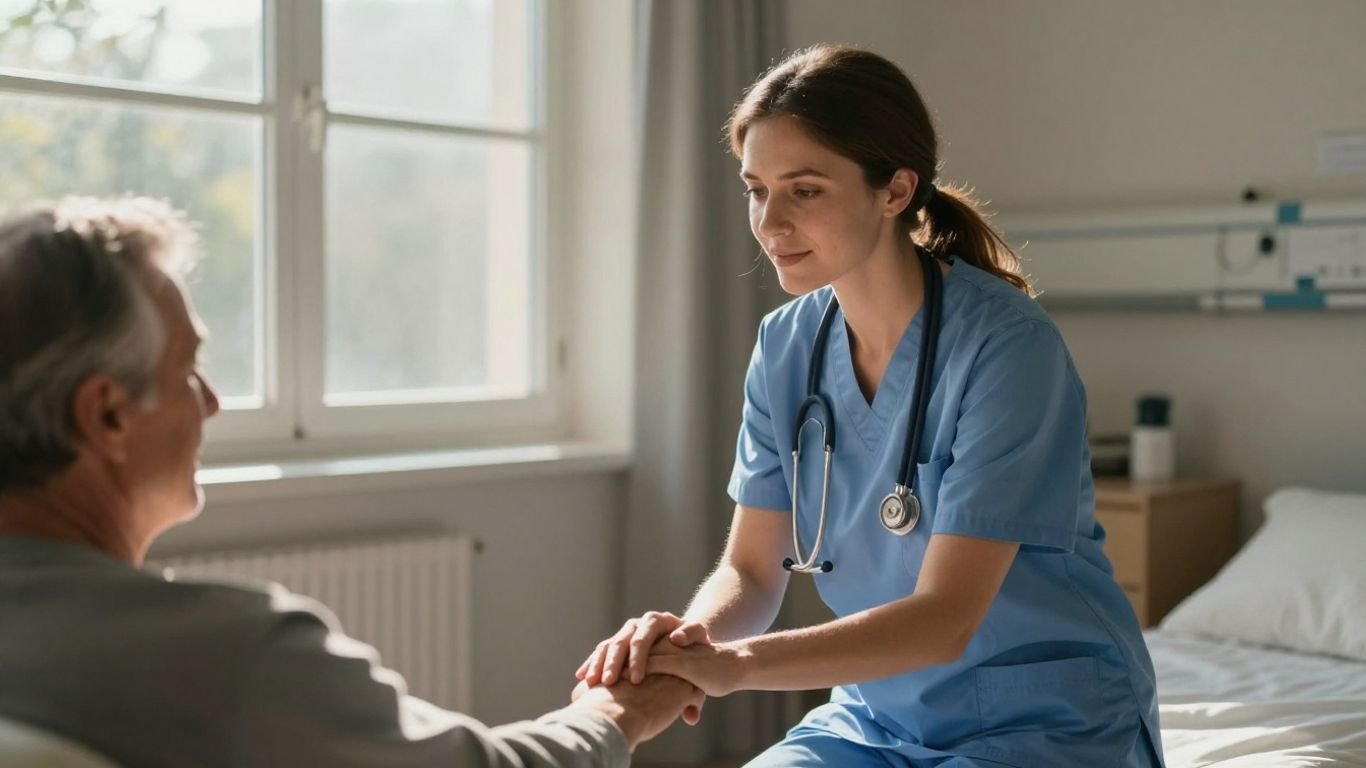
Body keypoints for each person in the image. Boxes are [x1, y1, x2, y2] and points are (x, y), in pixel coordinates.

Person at [577, 44, 1165, 767]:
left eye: (806, 190)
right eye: (756, 189)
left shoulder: (1009, 348)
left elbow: (946, 619)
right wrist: (689, 644)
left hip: (1042, 722)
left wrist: (740, 667)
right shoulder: (786, 346)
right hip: (879, 718)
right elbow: (754, 572)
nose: (770, 222)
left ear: (894, 191)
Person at [0, 196, 702, 768]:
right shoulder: (231, 657)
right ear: (107, 415)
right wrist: (616, 711)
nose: (210, 402)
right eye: (187, 371)